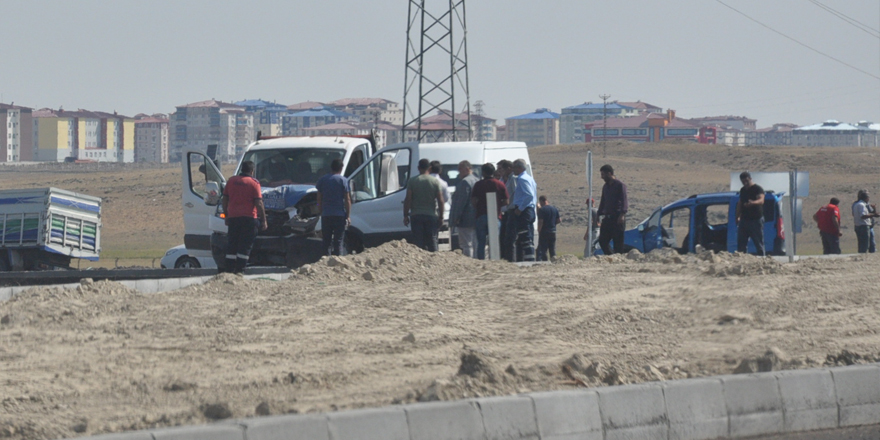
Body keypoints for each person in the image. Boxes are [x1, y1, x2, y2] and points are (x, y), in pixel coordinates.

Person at [221, 161, 268, 274]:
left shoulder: (231, 181)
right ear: (252, 171)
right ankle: (239, 271)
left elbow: (225, 200)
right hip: (249, 219)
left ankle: (229, 271)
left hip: (233, 219)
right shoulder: (254, 183)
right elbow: (259, 203)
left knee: (232, 244)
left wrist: (226, 215)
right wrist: (264, 220)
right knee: (245, 246)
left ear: (242, 169)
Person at [404, 158, 445, 251]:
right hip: (431, 215)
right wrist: (441, 217)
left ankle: (419, 263)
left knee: (418, 242)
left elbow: (408, 199)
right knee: (432, 240)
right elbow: (440, 200)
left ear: (418, 168)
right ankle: (435, 261)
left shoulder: (412, 181)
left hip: (416, 215)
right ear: (429, 168)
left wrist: (405, 215)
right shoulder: (435, 181)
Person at [471, 163, 508, 260]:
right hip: (495, 215)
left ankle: (481, 262)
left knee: (481, 242)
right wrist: (498, 206)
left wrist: (479, 207)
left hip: (481, 215)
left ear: (483, 172)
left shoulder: (478, 184)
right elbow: (506, 201)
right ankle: (494, 260)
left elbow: (473, 201)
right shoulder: (500, 184)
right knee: (494, 241)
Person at [315, 158, 351, 256]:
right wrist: (348, 215)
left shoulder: (323, 180)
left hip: (326, 215)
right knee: (338, 241)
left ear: (331, 168)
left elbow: (318, 199)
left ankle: (325, 264)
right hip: (339, 215)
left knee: (326, 241)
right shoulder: (343, 181)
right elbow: (347, 200)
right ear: (341, 168)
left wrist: (321, 210)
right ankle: (337, 264)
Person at [596, 164, 628, 254]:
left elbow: (624, 201)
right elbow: (603, 201)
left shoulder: (620, 185)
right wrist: (598, 214)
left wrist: (622, 215)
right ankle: (611, 257)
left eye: (603, 174)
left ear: (609, 174)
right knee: (602, 241)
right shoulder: (605, 187)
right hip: (607, 218)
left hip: (617, 218)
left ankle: (618, 260)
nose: (602, 177)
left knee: (618, 243)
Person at [450, 160, 479, 257]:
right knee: (475, 242)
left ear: (467, 169)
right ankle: (476, 260)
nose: (459, 172)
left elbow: (461, 202)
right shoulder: (477, 180)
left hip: (465, 218)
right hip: (476, 216)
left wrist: (456, 217)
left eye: (460, 169)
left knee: (466, 244)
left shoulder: (465, 182)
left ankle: (469, 261)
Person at [511, 159, 537, 262]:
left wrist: (520, 209)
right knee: (527, 235)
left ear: (519, 168)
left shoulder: (522, 179)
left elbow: (529, 195)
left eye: (514, 167)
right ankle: (529, 258)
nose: (513, 170)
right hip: (529, 210)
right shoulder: (529, 178)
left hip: (525, 210)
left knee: (525, 236)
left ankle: (529, 260)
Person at [736, 171, 765, 256]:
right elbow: (740, 203)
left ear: (750, 179)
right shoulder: (743, 190)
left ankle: (762, 260)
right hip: (744, 220)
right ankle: (742, 260)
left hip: (756, 220)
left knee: (758, 243)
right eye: (743, 181)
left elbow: (761, 200)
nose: (745, 183)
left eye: (746, 180)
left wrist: (753, 203)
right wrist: (737, 216)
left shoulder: (757, 189)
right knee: (741, 243)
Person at [497, 160, 518, 261]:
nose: (499, 171)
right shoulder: (502, 180)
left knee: (510, 238)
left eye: (501, 169)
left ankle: (511, 259)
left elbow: (515, 193)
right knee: (502, 238)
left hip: (511, 210)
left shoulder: (513, 179)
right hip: (503, 212)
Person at [536, 195, 560, 261]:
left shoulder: (542, 210)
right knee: (552, 249)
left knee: (543, 249)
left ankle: (545, 263)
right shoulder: (554, 209)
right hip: (553, 231)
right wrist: (552, 224)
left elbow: (541, 221)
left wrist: (538, 230)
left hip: (544, 232)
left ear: (541, 201)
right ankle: (554, 261)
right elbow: (559, 220)